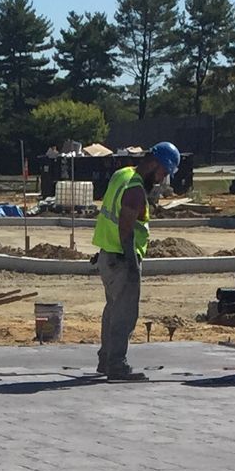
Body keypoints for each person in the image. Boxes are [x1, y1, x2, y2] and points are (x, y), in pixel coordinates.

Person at [91, 141, 180, 380]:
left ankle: (105, 360)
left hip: (107, 256)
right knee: (125, 314)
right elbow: (126, 230)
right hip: (122, 259)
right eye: (162, 172)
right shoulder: (135, 191)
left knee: (112, 310)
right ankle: (117, 364)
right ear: (153, 164)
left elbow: (109, 214)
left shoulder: (123, 174)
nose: (162, 179)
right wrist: (132, 266)